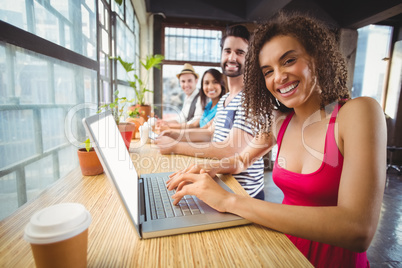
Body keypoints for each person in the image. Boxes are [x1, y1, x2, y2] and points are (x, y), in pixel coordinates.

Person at [165, 12, 387, 268]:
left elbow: (358, 229)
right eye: (268, 71)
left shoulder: (358, 113)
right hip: (284, 252)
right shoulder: (279, 121)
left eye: (289, 60)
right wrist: (211, 168)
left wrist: (229, 201)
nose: (279, 77)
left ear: (317, 57)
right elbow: (240, 160)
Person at [155, 25, 265, 200]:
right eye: (227, 51)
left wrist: (175, 146)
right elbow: (209, 133)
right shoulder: (225, 99)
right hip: (222, 186)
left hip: (244, 194)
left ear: (250, 58)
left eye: (240, 52)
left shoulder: (251, 98)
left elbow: (231, 150)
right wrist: (175, 134)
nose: (231, 57)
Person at [158, 68, 226, 131]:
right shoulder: (208, 105)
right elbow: (182, 119)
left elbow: (196, 126)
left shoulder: (222, 106)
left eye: (215, 82)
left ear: (196, 81)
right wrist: (165, 123)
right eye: (206, 83)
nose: (210, 87)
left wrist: (170, 127)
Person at [157, 63, 203, 128]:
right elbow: (181, 119)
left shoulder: (201, 98)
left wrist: (170, 125)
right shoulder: (187, 97)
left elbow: (195, 123)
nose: (186, 85)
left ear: (196, 81)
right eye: (183, 81)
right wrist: (164, 122)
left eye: (189, 81)